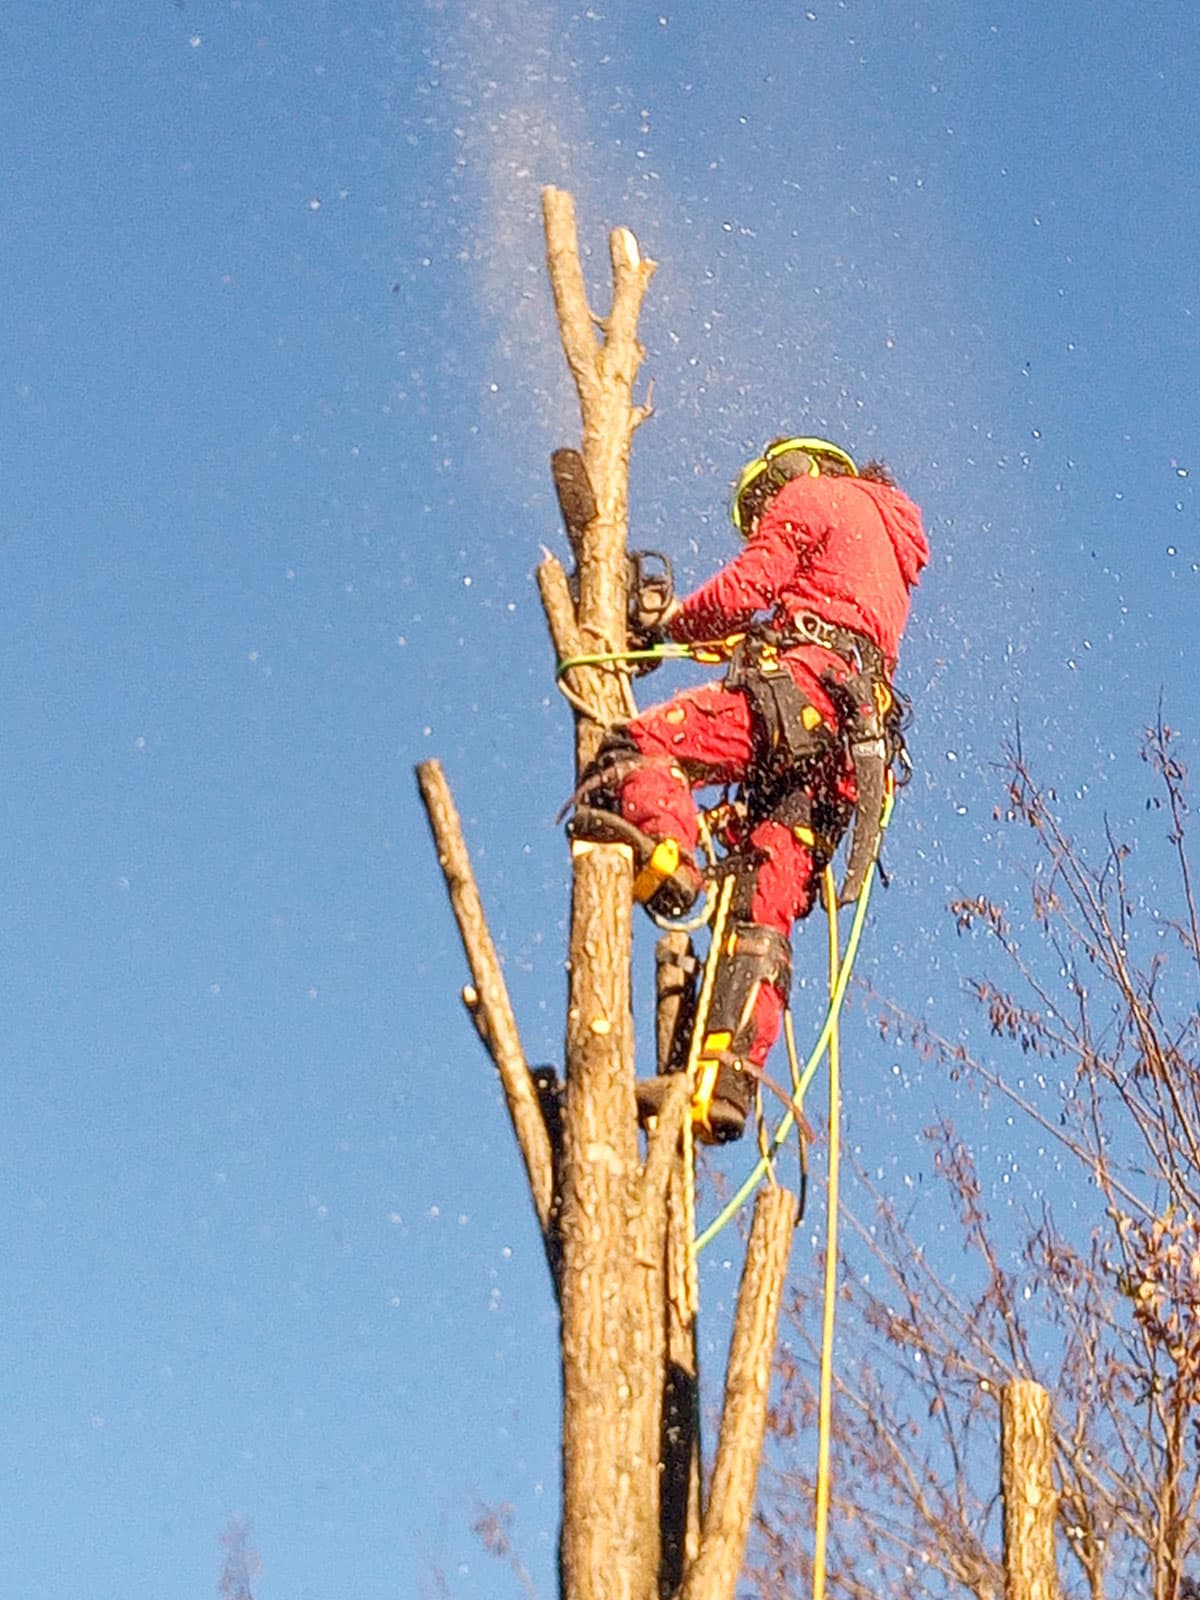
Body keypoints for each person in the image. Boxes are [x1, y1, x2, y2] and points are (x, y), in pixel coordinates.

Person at [570, 436, 929, 1141]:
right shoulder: (884, 545)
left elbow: (746, 590)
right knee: (762, 897)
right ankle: (723, 1081)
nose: (764, 514)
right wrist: (694, 638)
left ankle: (668, 856)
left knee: (636, 747)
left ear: (786, 474)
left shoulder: (813, 495)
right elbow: (788, 619)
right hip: (847, 756)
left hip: (803, 696)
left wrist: (665, 625)